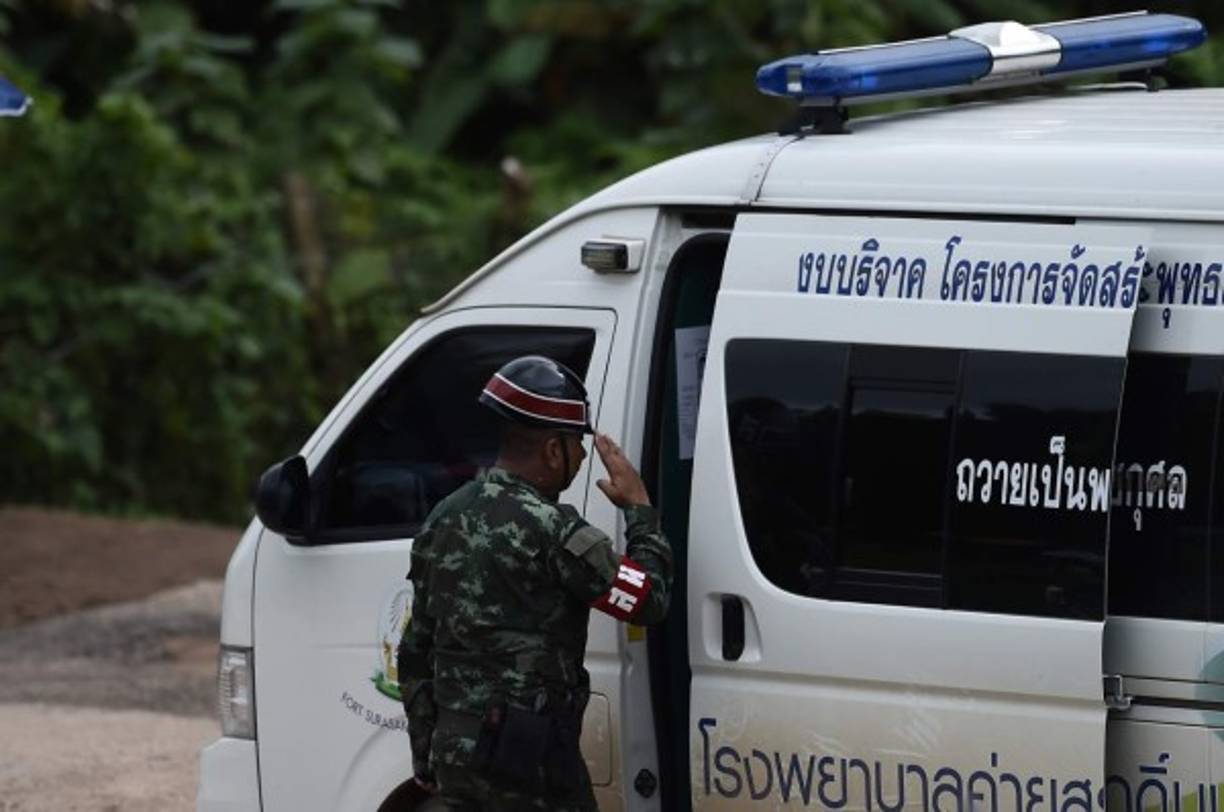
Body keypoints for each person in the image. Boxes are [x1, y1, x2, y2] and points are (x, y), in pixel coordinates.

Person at [397, 355, 673, 811]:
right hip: (532, 765)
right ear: (551, 450)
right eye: (577, 446)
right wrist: (640, 510)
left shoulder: (444, 516)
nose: (583, 458)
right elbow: (648, 600)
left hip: (456, 758)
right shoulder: (554, 530)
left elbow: (416, 648)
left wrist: (425, 751)